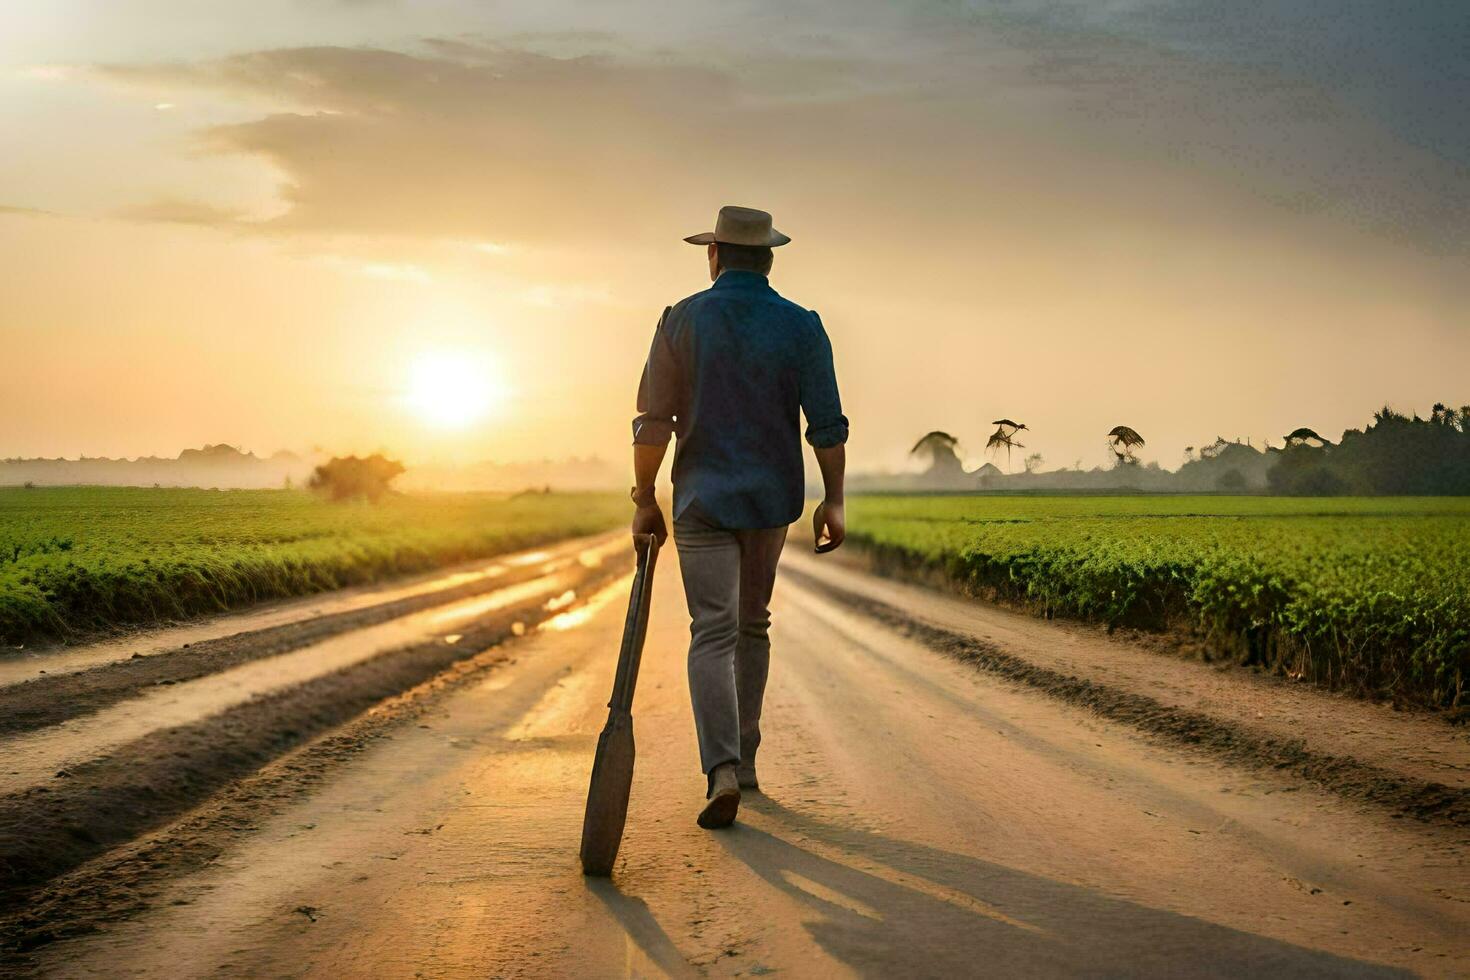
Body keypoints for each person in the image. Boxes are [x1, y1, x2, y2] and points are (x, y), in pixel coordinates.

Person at [630, 204, 848, 829]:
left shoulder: (682, 320)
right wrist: (833, 499)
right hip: (770, 500)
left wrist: (645, 497)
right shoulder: (802, 326)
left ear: (715, 255)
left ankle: (721, 769)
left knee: (713, 631)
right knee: (753, 624)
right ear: (770, 259)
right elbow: (826, 424)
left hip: (701, 499)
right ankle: (747, 758)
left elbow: (654, 421)